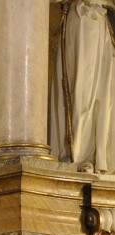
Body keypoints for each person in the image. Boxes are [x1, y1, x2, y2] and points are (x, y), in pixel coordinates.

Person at [49, 0, 115, 174]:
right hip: (79, 19)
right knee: (80, 90)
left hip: (101, 21)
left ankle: (94, 157)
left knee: (102, 93)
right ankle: (76, 155)